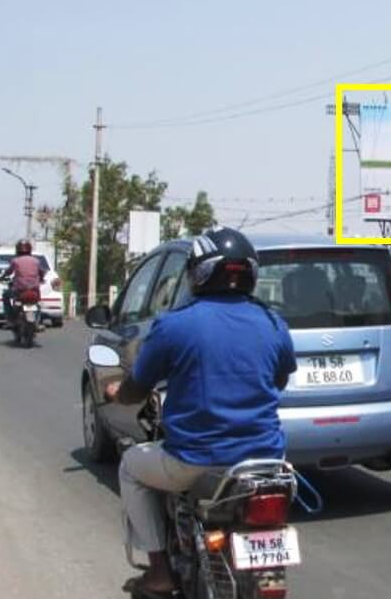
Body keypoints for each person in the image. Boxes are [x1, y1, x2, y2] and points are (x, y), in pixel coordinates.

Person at [104, 227, 297, 596]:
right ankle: (267, 575)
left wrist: (116, 390)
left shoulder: (175, 325)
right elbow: (280, 380)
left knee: (131, 466)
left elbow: (136, 389)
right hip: (266, 461)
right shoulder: (273, 324)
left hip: (196, 460)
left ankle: (159, 572)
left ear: (198, 273)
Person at [0, 239, 45, 323]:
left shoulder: (15, 261)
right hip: (34, 290)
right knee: (38, 303)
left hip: (20, 290)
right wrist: (41, 279)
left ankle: (10, 319)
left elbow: (8, 272)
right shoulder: (36, 261)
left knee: (5, 295)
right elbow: (41, 272)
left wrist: (2, 277)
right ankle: (37, 321)